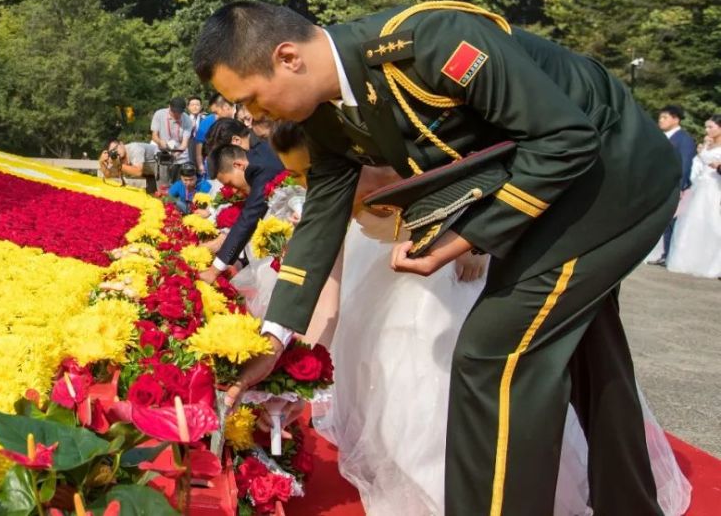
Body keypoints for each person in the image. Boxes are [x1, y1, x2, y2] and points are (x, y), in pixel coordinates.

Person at [194, 0, 681, 516]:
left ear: (288, 57)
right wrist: (274, 338)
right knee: (588, 348)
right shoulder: (326, 116)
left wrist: (464, 238)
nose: (252, 117)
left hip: (611, 172)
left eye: (250, 98)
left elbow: (567, 138)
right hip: (557, 190)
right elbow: (320, 224)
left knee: (492, 354)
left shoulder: (429, 44)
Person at [253, 121, 691, 516]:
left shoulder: (420, 151)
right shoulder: (333, 200)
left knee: (463, 386)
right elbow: (327, 297)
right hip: (388, 289)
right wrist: (299, 378)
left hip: (463, 276)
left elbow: (516, 173)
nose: (314, 184)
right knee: (394, 393)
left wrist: (479, 241)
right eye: (299, 176)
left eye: (316, 170)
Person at [198, 118, 285, 285]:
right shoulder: (258, 153)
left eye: (228, 151)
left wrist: (214, 270)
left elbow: (249, 217)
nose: (234, 190)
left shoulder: (261, 165)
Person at [667, 115, 721, 278]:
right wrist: (704, 147)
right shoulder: (708, 144)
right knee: (692, 222)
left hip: (715, 188)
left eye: (711, 127)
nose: (707, 130)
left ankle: (710, 264)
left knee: (712, 223)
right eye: (706, 127)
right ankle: (686, 260)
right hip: (700, 187)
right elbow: (697, 164)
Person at [649, 105, 698, 266]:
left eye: (665, 117)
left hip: (673, 186)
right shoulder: (660, 136)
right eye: (660, 117)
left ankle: (668, 254)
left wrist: (680, 186)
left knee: (670, 221)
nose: (660, 120)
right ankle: (662, 253)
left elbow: (685, 163)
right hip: (657, 184)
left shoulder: (683, 139)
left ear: (676, 119)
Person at [194, 93, 236, 176]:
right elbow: (199, 144)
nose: (216, 117)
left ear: (226, 107)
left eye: (216, 113)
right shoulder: (208, 121)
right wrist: (200, 164)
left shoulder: (243, 118)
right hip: (215, 164)